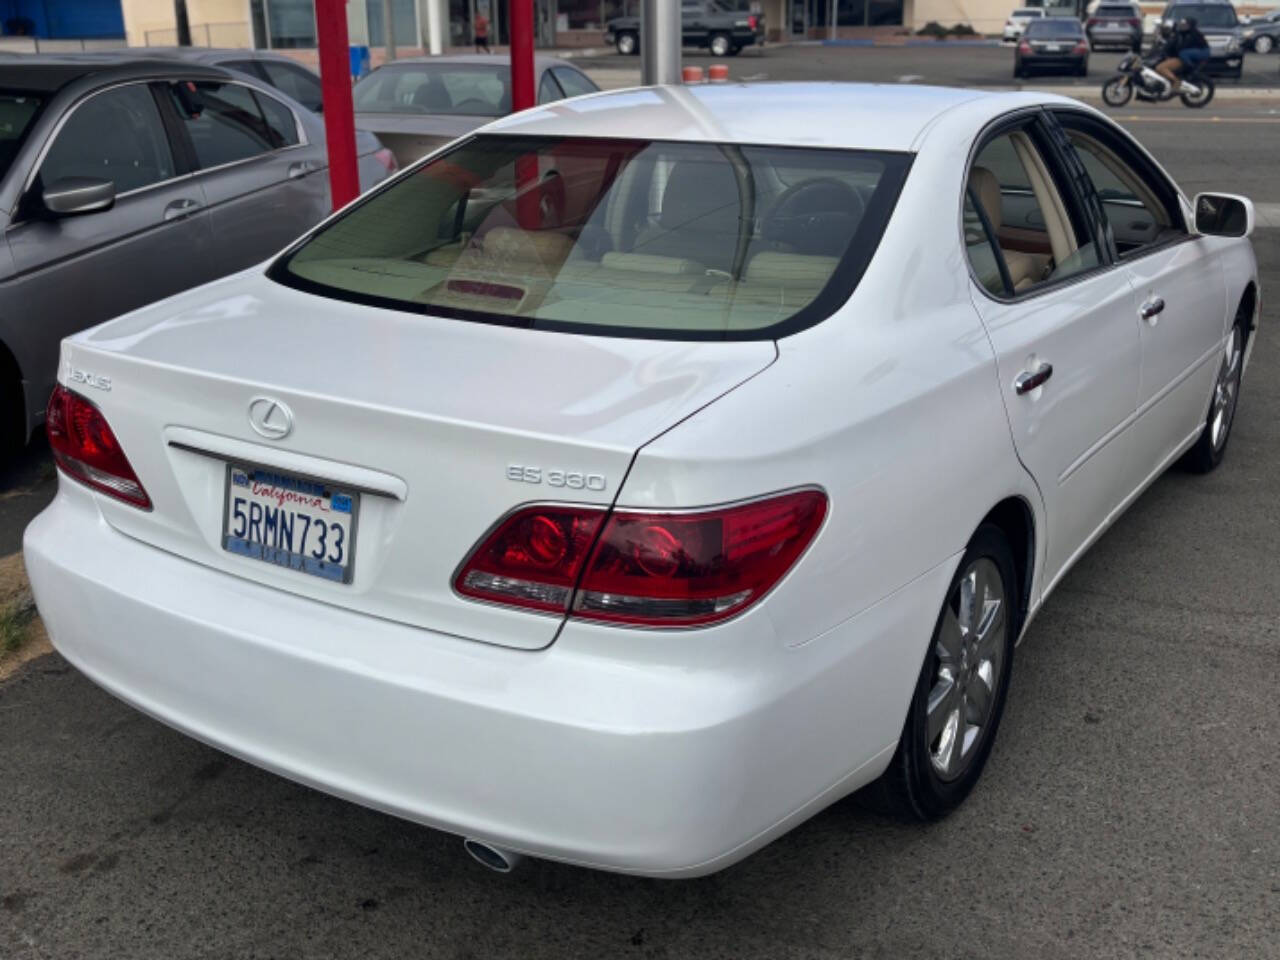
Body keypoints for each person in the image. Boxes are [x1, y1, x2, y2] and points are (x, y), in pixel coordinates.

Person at [1156, 17, 1210, 93]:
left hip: (1201, 52)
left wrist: (1172, 50)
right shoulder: (1180, 34)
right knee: (1183, 53)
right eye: (1182, 24)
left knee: (1162, 67)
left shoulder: (1192, 34)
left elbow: (1183, 46)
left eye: (1185, 25)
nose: (1183, 26)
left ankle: (1179, 79)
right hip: (1189, 53)